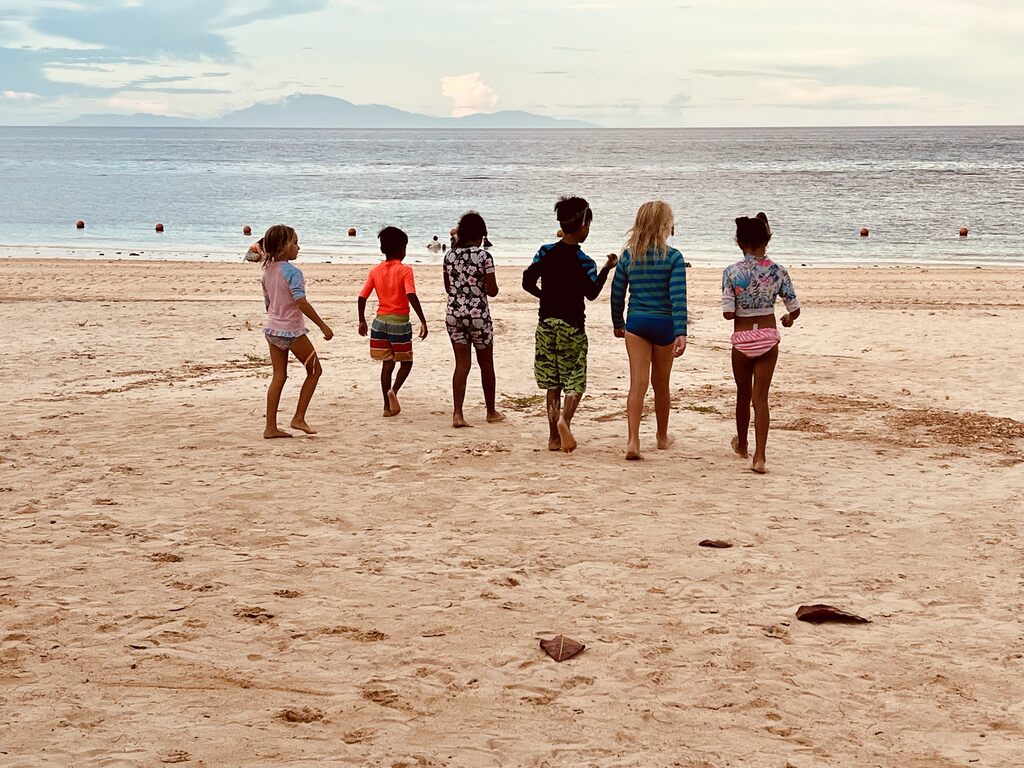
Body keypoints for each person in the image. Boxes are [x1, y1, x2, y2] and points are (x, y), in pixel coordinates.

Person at [522, 196, 617, 453]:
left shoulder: (545, 252)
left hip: (546, 324)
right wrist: (607, 269)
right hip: (572, 326)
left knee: (552, 382)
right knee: (574, 378)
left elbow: (527, 281)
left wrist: (545, 297)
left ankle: (553, 437)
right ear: (584, 225)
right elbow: (592, 293)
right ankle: (565, 421)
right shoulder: (585, 262)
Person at [722, 213, 800, 474]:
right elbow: (794, 308)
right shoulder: (779, 271)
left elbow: (728, 313)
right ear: (767, 239)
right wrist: (787, 319)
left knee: (742, 395)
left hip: (742, 339)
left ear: (739, 243)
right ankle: (760, 457)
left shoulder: (731, 272)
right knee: (761, 398)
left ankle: (743, 444)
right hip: (767, 336)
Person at [610, 201, 687, 461]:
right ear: (666, 225)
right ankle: (662, 437)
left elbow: (617, 293)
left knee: (637, 384)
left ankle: (633, 440)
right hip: (664, 324)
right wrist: (681, 331)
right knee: (661, 384)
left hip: (637, 324)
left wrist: (617, 322)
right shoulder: (673, 257)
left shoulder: (629, 256)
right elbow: (678, 297)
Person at [259, 225, 333, 439]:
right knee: (315, 371)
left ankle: (270, 427)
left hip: (272, 330)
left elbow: (268, 302)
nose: (298, 247)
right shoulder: (292, 272)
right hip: (291, 332)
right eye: (295, 243)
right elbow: (300, 301)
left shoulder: (268, 271)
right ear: (283, 247)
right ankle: (298, 417)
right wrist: (322, 325)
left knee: (278, 377)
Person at [358, 227, 428, 417]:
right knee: (406, 362)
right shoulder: (405, 270)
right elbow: (411, 294)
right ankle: (394, 391)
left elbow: (362, 297)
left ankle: (387, 407)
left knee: (387, 364)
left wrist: (361, 320)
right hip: (399, 323)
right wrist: (422, 320)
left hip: (379, 323)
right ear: (402, 249)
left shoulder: (375, 271)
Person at [443, 211, 504, 428]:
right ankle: (491, 411)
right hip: (478, 316)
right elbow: (493, 290)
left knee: (461, 364)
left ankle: (458, 413)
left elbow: (448, 288)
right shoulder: (484, 257)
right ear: (481, 234)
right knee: (486, 363)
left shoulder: (449, 256)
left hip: (454, 314)